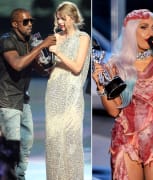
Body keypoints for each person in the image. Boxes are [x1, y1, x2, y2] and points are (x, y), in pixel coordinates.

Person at [92, 9, 153, 180]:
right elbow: (114, 111)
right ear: (131, 31)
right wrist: (101, 85)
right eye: (144, 27)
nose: (151, 33)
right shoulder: (115, 65)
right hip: (125, 138)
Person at [0, 8, 56, 179]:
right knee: (13, 145)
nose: (30, 24)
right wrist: (41, 46)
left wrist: (49, 59)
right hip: (7, 100)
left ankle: (19, 176)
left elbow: (42, 70)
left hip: (24, 100)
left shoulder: (30, 41)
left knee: (27, 143)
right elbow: (17, 64)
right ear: (14, 24)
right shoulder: (6, 41)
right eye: (25, 22)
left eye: (31, 21)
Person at [45, 1, 90, 179]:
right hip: (54, 91)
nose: (60, 22)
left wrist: (58, 53)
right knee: (53, 139)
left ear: (72, 17)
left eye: (63, 18)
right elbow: (54, 68)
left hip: (72, 94)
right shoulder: (56, 37)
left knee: (71, 139)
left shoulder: (83, 38)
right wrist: (46, 63)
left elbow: (77, 67)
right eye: (58, 19)